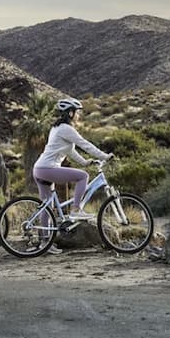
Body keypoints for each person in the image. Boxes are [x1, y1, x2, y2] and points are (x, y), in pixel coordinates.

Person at [32, 98, 113, 255]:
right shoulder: (66, 129)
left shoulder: (57, 128)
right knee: (83, 177)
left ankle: (44, 243)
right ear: (70, 113)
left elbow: (69, 151)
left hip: (40, 169)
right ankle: (76, 209)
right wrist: (104, 156)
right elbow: (85, 144)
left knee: (47, 206)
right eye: (78, 112)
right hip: (48, 169)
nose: (79, 115)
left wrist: (84, 161)